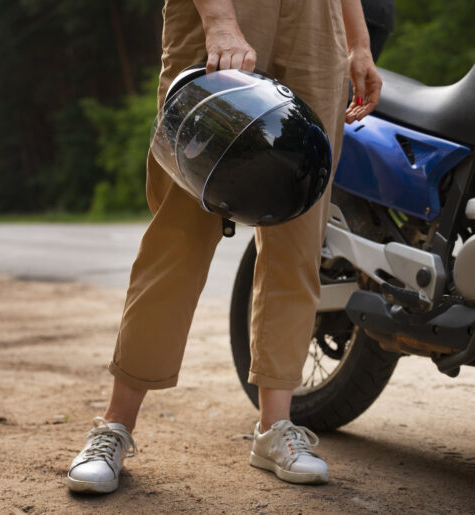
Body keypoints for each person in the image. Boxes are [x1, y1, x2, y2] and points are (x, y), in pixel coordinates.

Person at [66, 0, 382, 494]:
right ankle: (115, 426)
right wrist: (219, 23)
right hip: (229, 10)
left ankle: (274, 429)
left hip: (319, 26)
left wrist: (358, 42)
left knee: (299, 230)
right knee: (182, 231)